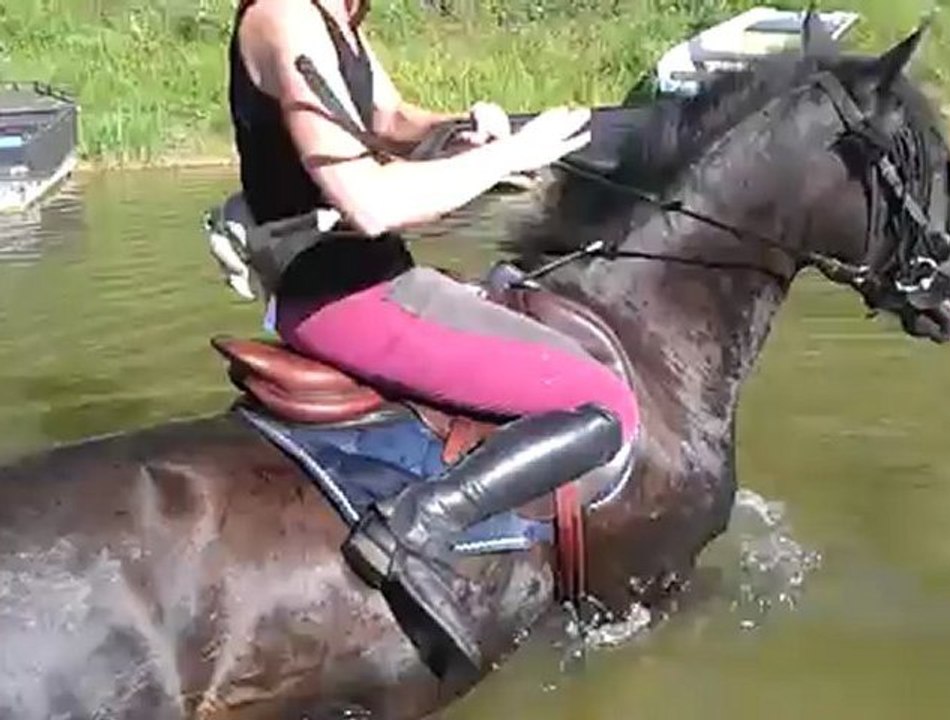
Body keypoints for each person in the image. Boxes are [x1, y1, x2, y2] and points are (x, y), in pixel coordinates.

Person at [229, 0, 641, 678]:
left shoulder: (334, 16)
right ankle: (414, 527)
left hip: (380, 274)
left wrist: (458, 132)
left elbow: (388, 120)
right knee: (604, 407)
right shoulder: (284, 18)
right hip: (342, 296)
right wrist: (514, 155)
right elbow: (369, 202)